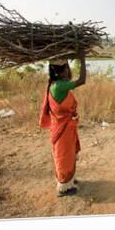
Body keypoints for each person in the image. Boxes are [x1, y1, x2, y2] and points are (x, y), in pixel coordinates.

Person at [38, 49, 87, 197]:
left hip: (64, 127)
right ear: (61, 71)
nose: (68, 70)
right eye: (66, 68)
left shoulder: (56, 83)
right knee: (64, 155)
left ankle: (69, 180)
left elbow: (71, 79)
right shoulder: (59, 86)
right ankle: (64, 188)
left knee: (69, 154)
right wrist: (82, 59)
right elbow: (82, 80)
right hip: (63, 129)